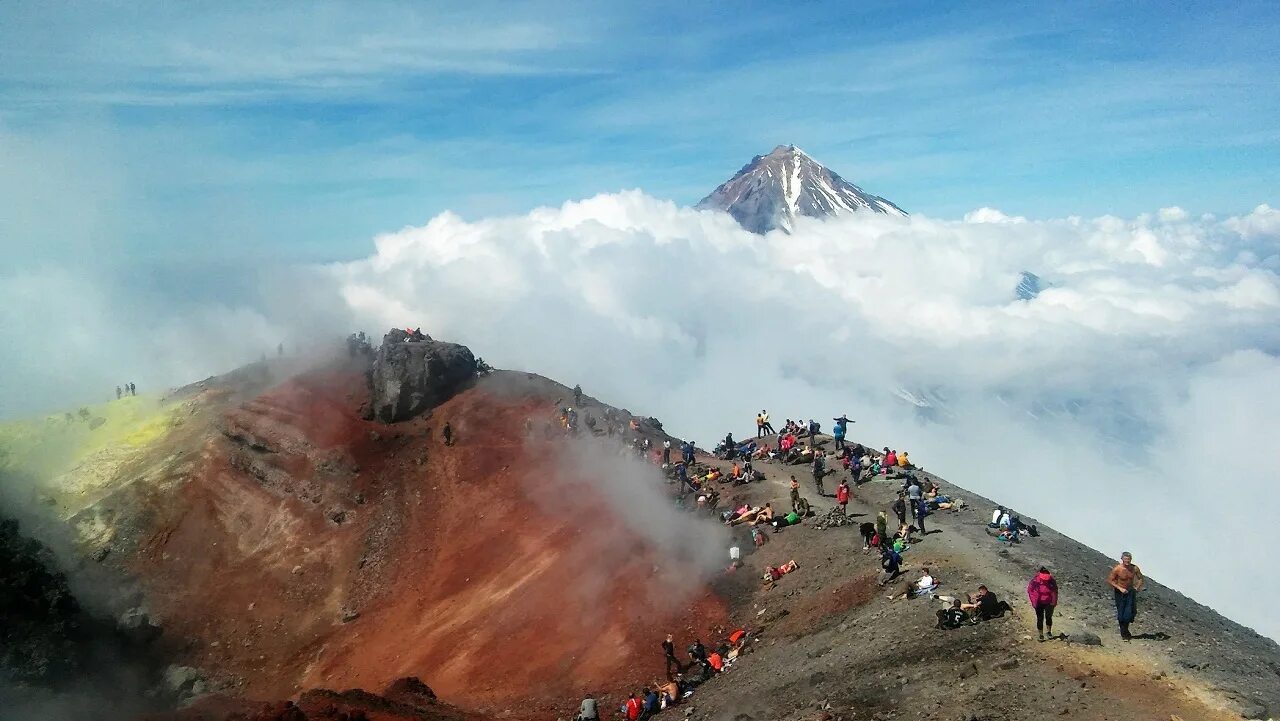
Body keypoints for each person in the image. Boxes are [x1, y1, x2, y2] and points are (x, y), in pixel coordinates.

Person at [1107, 551, 1145, 640]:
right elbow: (1110, 580)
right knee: (1121, 613)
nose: (1127, 562)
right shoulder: (1118, 569)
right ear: (1122, 559)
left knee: (1130, 612)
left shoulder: (1134, 568)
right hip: (1120, 592)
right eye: (1125, 559)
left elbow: (1140, 578)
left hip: (1130, 591)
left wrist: (1136, 588)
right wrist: (1120, 588)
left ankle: (1125, 630)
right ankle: (1124, 633)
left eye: (1129, 560)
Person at [1027, 567, 1059, 641]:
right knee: (1040, 618)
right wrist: (1034, 601)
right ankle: (1041, 635)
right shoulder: (1035, 581)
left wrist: (1053, 602)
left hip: (1049, 602)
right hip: (1038, 602)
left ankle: (1049, 632)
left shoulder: (1051, 581)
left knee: (1048, 617)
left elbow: (1055, 592)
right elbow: (1030, 591)